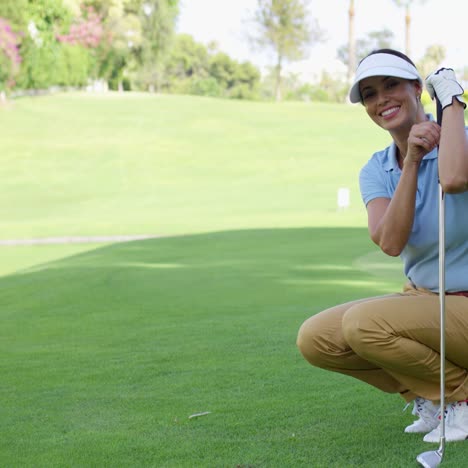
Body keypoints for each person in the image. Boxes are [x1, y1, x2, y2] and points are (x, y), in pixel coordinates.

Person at [296, 48, 468, 443]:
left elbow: (455, 179)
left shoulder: (462, 142)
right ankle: (430, 395)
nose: (382, 99)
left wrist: (453, 99)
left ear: (417, 89)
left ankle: (460, 397)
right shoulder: (378, 168)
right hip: (425, 301)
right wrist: (410, 160)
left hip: (464, 305)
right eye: (370, 93)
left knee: (364, 324)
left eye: (392, 85)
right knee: (316, 338)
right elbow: (390, 242)